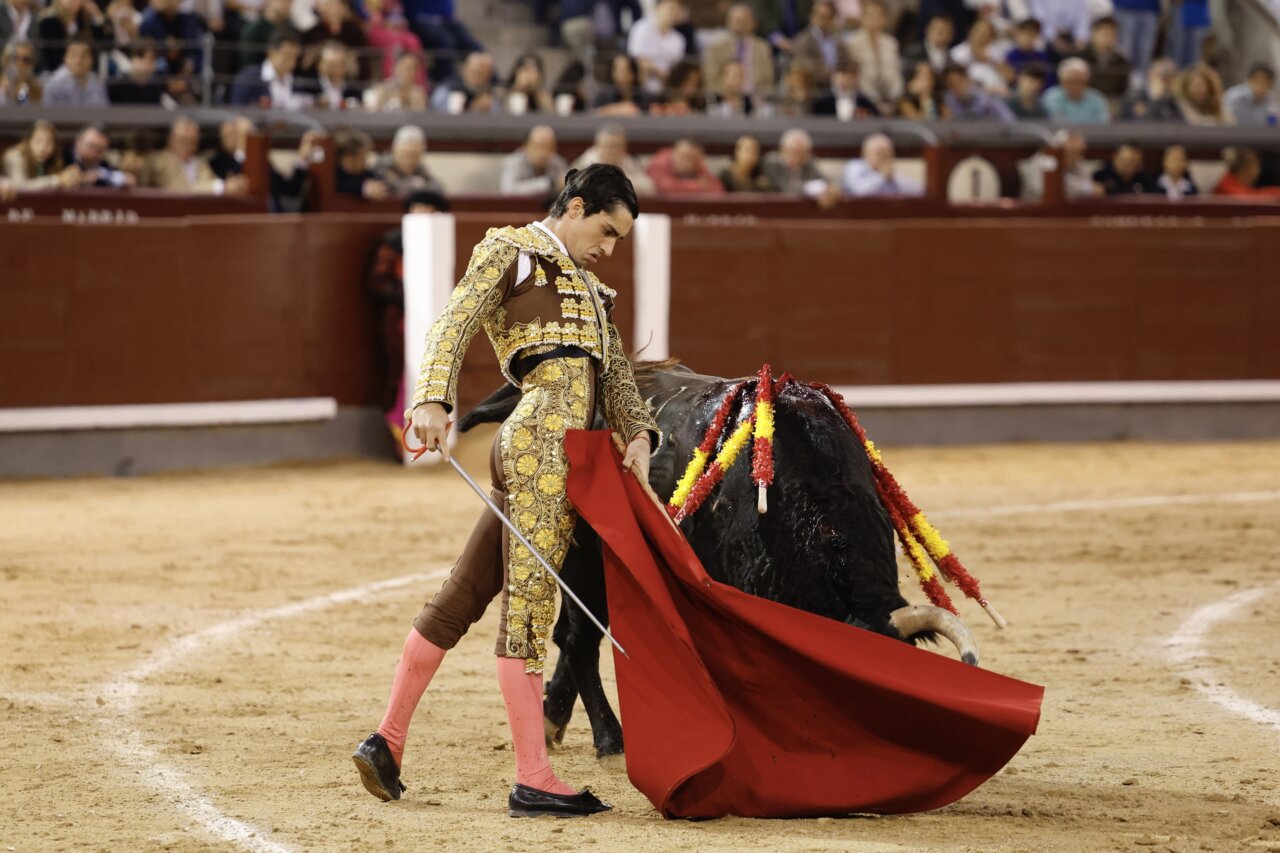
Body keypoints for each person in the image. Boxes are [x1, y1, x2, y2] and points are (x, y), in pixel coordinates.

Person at [353, 164, 658, 819]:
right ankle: (533, 776)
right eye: (607, 230)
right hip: (539, 444)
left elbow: (617, 378)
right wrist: (432, 398)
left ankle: (386, 740)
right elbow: (453, 321)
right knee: (529, 609)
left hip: (561, 452)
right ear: (575, 206)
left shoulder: (593, 290)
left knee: (463, 594)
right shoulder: (511, 251)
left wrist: (638, 433)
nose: (610, 248)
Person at [143, 116, 251, 195]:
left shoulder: (201, 163)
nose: (187, 145)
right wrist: (222, 187)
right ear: (170, 140)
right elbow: (179, 189)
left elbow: (210, 181)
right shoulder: (159, 161)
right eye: (182, 140)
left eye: (192, 141)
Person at [702, 4, 774, 98]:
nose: (739, 23)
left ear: (753, 23)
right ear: (727, 22)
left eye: (744, 20)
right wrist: (728, 94)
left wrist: (759, 97)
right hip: (724, 99)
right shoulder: (715, 48)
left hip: (756, 99)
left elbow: (768, 80)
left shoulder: (763, 48)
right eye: (736, 20)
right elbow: (710, 80)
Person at [401, 0, 483, 83]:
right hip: (417, 19)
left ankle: (488, 81)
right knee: (446, 41)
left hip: (445, 19)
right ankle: (446, 83)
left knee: (472, 45)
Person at [230, 27, 312, 108]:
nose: (291, 62)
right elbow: (237, 108)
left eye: (295, 57)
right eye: (286, 56)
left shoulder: (297, 84)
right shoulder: (249, 78)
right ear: (271, 52)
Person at [845, 0, 900, 111]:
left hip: (889, 98)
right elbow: (856, 78)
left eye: (878, 15)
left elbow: (896, 77)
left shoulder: (891, 43)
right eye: (870, 15)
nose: (874, 19)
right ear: (862, 17)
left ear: (885, 19)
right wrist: (875, 101)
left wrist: (893, 97)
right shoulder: (852, 43)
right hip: (863, 99)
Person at [571, 123, 655, 196]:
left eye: (616, 146)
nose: (611, 151)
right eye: (607, 146)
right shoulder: (586, 162)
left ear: (624, 148)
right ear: (597, 146)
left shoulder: (629, 162)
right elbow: (571, 185)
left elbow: (649, 188)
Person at [762, 128, 839, 207]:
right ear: (782, 149)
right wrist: (811, 190)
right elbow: (785, 187)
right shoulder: (772, 163)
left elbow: (826, 181)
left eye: (801, 153)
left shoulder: (808, 163)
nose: (797, 158)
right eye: (793, 151)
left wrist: (831, 189)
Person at [34, 0, 111, 73]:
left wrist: (98, 15)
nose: (70, 1)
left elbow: (106, 43)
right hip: (56, 72)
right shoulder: (49, 22)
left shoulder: (84, 22)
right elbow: (49, 55)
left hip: (85, 71)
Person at [628, 0, 686, 94]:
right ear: (657, 8)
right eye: (671, 7)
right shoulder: (641, 28)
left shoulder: (679, 39)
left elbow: (676, 69)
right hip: (641, 88)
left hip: (667, 89)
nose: (673, 12)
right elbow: (637, 60)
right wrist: (662, 73)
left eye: (677, 8)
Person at [2, 119, 79, 190]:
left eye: (49, 142)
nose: (43, 148)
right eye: (38, 141)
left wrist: (71, 177)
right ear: (28, 142)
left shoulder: (53, 158)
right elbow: (20, 187)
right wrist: (57, 180)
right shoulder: (15, 156)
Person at [790, 0, 851, 88]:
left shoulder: (838, 41)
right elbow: (804, 66)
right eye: (821, 17)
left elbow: (846, 62)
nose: (824, 21)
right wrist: (831, 74)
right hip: (814, 88)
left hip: (839, 87)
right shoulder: (802, 41)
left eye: (828, 17)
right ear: (812, 17)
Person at [841, 132, 922, 197]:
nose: (883, 158)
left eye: (887, 154)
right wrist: (882, 176)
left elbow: (919, 191)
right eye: (878, 153)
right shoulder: (855, 166)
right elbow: (859, 191)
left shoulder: (889, 174)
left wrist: (891, 176)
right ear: (865, 154)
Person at [376, 125, 445, 197]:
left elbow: (438, 189)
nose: (409, 160)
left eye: (414, 156)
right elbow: (392, 189)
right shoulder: (381, 169)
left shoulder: (421, 170)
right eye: (405, 155)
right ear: (393, 150)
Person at [138, 0, 205, 75]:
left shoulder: (189, 23)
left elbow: (199, 57)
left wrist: (188, 64)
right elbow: (142, 55)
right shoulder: (149, 24)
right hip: (158, 76)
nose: (168, 2)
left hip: (187, 76)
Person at [500, 125, 568, 197]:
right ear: (526, 146)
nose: (543, 152)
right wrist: (549, 183)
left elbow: (569, 187)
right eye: (538, 146)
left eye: (548, 147)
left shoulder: (558, 162)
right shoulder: (514, 162)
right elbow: (508, 190)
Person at [41, 35, 108, 106]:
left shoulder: (98, 83)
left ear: (91, 59)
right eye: (74, 55)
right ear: (65, 58)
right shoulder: (53, 85)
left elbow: (104, 110)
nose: (78, 60)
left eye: (83, 55)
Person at [1041, 57, 1110, 124]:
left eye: (1080, 82)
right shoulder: (1049, 98)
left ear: (1087, 81)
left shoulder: (1097, 100)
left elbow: (1104, 125)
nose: (1076, 86)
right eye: (1071, 82)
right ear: (1061, 81)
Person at [646, 138, 725, 195]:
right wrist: (696, 186)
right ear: (674, 153)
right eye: (685, 158)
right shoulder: (659, 163)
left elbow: (717, 190)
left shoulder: (697, 164)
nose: (689, 164)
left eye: (694, 160)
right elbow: (665, 189)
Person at [429, 50, 497, 113]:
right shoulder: (446, 91)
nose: (479, 77)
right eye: (475, 72)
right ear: (464, 70)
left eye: (484, 73)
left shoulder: (491, 97)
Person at [1080, 16, 1131, 99]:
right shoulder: (1080, 58)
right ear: (1094, 34)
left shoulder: (1121, 61)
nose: (1108, 39)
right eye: (1105, 34)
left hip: (1112, 103)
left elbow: (1123, 90)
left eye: (1112, 35)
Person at [1112, 0, 1159, 90]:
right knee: (1125, 52)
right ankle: (1123, 85)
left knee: (1146, 53)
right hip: (1124, 7)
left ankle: (1142, 88)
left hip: (1150, 8)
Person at [942, 62, 1013, 120]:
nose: (956, 88)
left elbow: (1009, 120)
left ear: (967, 80)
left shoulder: (986, 98)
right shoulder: (948, 101)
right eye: (952, 85)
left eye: (958, 83)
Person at [333, 128, 389, 200]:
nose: (365, 161)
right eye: (362, 157)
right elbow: (339, 186)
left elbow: (382, 184)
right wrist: (362, 188)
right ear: (349, 158)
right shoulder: (333, 175)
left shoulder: (366, 174)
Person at [812, 59, 878, 117]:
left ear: (855, 78)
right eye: (841, 77)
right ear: (833, 78)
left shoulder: (863, 101)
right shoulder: (823, 102)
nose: (844, 81)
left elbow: (876, 118)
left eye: (848, 77)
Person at [108, 38, 164, 103]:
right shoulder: (116, 86)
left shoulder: (155, 90)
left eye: (152, 60)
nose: (146, 63)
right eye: (141, 57)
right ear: (133, 59)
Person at [311, 40, 361, 110]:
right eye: (330, 65)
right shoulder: (311, 86)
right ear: (321, 65)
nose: (335, 70)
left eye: (339, 64)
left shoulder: (353, 89)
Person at [1003, 17, 1053, 85]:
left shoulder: (1043, 56)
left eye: (1034, 35)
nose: (1030, 39)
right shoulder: (1011, 56)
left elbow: (1049, 79)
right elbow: (1011, 79)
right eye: (1028, 34)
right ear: (1018, 33)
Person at [900, 12, 952, 77]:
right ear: (928, 30)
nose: (943, 36)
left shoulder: (951, 59)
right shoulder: (913, 52)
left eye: (948, 32)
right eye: (940, 31)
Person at [1214, 147, 1280, 197]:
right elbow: (1250, 197)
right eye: (1255, 166)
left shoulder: (1240, 185)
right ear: (1244, 168)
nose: (1258, 171)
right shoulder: (1226, 183)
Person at [240, 0, 289, 67]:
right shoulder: (253, 31)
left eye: (290, 1)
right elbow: (248, 66)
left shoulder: (291, 29)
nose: (287, 4)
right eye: (283, 1)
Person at [0, 38, 41, 104]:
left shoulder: (37, 90)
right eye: (16, 58)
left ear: (32, 64)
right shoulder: (2, 88)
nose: (20, 63)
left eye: (26, 60)